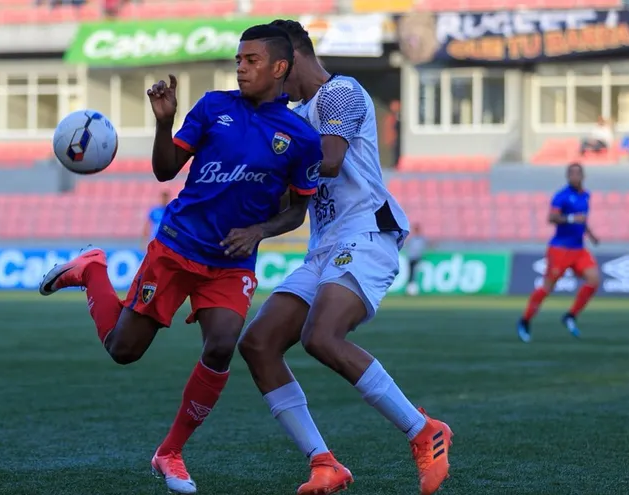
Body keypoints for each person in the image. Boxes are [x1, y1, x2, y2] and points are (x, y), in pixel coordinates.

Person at [38, 24, 322, 494]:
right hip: (177, 247)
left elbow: (297, 210)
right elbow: (165, 169)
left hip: (232, 262)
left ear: (279, 67)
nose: (241, 67)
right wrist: (164, 122)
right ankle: (93, 271)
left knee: (222, 344)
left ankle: (170, 452)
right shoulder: (213, 107)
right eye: (238, 60)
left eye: (251, 60)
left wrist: (259, 231)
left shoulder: (301, 138)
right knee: (123, 351)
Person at [237, 19, 452, 495]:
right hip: (325, 246)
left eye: (266, 66)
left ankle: (424, 431)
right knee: (258, 344)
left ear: (289, 58)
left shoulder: (341, 93)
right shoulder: (293, 113)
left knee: (321, 336)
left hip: (366, 235)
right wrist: (254, 226)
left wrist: (275, 148)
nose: (265, 79)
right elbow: (294, 211)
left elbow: (329, 160)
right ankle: (325, 463)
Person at [517, 162, 600, 343]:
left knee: (594, 279)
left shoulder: (586, 196)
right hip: (560, 249)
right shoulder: (561, 197)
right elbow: (551, 218)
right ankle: (525, 320)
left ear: (583, 176)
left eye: (578, 173)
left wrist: (591, 235)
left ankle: (570, 315)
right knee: (548, 287)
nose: (575, 177)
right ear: (567, 177)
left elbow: (583, 221)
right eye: (572, 174)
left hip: (579, 249)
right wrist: (571, 218)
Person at [405, 224, 427, 296]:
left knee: (416, 274)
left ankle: (415, 289)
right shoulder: (412, 239)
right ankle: (410, 290)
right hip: (411, 258)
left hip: (418, 258)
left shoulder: (421, 239)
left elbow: (423, 248)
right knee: (411, 273)